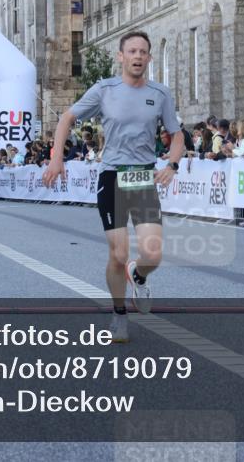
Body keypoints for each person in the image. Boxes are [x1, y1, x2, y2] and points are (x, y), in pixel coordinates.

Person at [42, 31, 183, 343]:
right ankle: (119, 314)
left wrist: (172, 164)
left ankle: (140, 275)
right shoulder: (104, 89)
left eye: (143, 52)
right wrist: (56, 159)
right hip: (113, 177)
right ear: (121, 56)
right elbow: (66, 119)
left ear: (148, 58)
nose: (137, 56)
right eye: (131, 51)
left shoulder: (160, 93)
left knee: (153, 255)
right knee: (118, 253)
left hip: (143, 177)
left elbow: (177, 134)